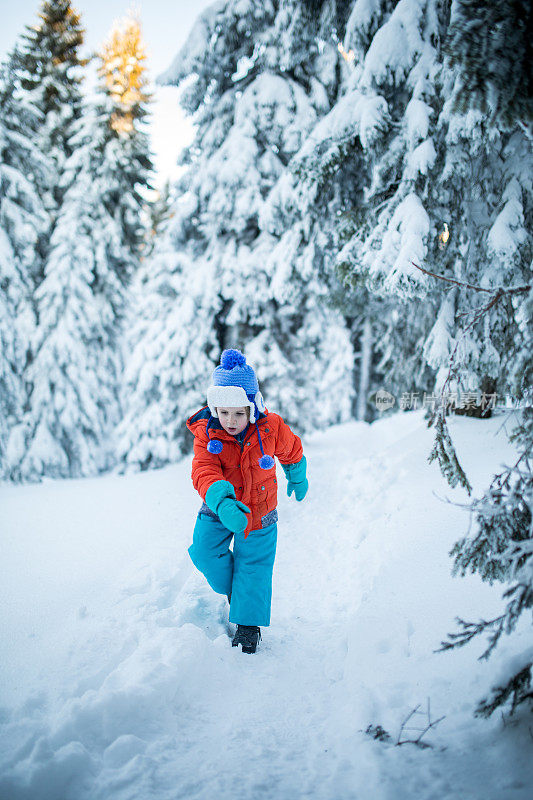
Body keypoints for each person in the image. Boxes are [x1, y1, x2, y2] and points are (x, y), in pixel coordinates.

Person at [186, 348, 308, 654]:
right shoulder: (207, 433)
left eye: (239, 413)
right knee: (203, 551)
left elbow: (292, 449)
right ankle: (238, 592)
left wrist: (297, 475)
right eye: (224, 412)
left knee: (253, 566)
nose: (231, 420)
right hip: (219, 509)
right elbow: (203, 469)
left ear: (253, 407)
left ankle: (248, 625)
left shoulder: (271, 428)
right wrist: (223, 502)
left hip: (260, 509)